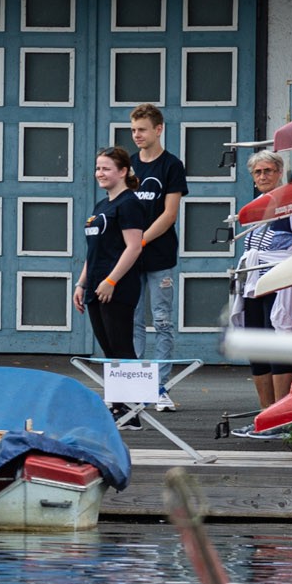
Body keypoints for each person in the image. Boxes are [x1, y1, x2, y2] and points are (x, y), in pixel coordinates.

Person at [230, 150, 292, 430]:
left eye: (268, 171)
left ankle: (283, 414)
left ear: (279, 173)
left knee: (278, 344)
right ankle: (266, 414)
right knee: (257, 346)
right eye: (258, 172)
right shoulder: (255, 206)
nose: (263, 176)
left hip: (280, 282)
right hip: (253, 282)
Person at [127, 104, 187, 404]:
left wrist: (139, 242)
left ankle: (160, 388)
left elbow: (169, 215)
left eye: (142, 129)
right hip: (130, 258)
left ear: (158, 129)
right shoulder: (128, 165)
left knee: (162, 322)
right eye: (134, 129)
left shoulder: (171, 165)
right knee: (133, 321)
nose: (136, 135)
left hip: (159, 257)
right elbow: (120, 208)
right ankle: (136, 389)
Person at [76, 147, 156, 361]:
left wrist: (111, 281)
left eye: (106, 169)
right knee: (110, 353)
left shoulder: (129, 203)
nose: (100, 173)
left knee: (122, 351)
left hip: (116, 288)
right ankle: (116, 396)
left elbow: (134, 247)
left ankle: (135, 395)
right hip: (95, 287)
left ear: (122, 172)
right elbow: (94, 248)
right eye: (97, 168)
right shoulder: (101, 205)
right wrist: (81, 284)